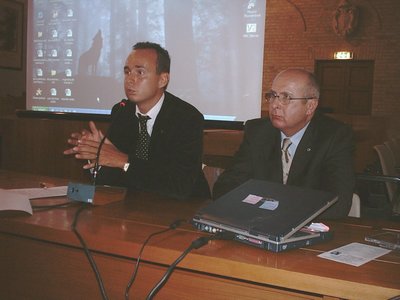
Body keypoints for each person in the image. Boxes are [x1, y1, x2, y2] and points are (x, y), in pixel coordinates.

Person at [64, 42, 210, 200]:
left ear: (162, 79)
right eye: (127, 72)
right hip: (134, 205)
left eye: (140, 72)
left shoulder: (186, 118)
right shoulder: (121, 112)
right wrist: (97, 157)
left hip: (183, 208)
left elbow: (179, 185)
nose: (130, 80)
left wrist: (123, 161)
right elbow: (113, 180)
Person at [213, 68, 355, 219]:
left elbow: (337, 203)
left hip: (307, 228)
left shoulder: (334, 136)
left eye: (286, 97)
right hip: (260, 222)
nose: (275, 104)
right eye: (273, 96)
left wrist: (272, 203)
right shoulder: (258, 132)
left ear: (310, 106)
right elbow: (225, 186)